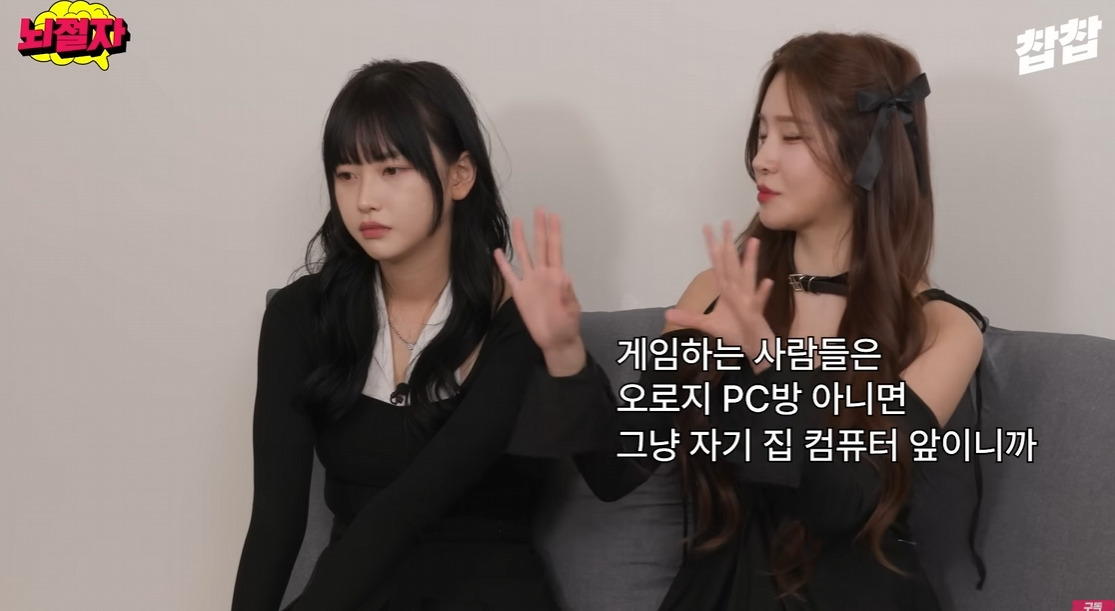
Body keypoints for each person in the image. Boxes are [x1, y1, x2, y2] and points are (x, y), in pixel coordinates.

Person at [500, 32, 988, 609]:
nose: (761, 159)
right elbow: (617, 470)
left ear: (866, 151)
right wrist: (564, 353)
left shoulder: (943, 329)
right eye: (761, 134)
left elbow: (844, 504)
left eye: (792, 136)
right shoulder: (715, 292)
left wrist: (766, 360)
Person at [231, 59, 563, 611]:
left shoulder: (519, 316)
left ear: (460, 176)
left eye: (391, 169)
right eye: (346, 174)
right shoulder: (299, 316)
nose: (365, 198)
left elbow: (408, 506)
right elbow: (275, 520)